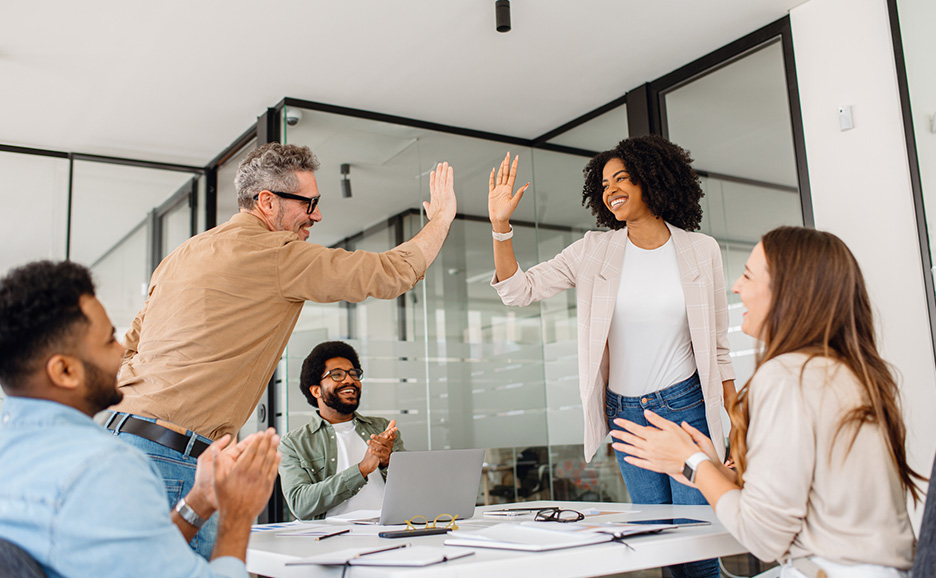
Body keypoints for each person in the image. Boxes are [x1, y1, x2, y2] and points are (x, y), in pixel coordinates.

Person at [105, 143, 455, 556]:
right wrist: (442, 219)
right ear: (267, 202)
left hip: (118, 441)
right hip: (174, 461)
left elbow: (128, 346)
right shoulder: (276, 254)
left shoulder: (182, 255)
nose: (317, 215)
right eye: (309, 203)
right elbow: (388, 274)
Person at [611, 227, 921, 578]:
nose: (736, 287)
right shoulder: (847, 373)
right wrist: (714, 468)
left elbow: (764, 537)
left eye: (747, 275)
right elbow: (798, 491)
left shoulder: (788, 375)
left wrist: (691, 462)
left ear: (788, 292)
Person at [488, 135, 734, 578]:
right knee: (659, 544)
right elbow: (518, 291)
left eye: (621, 178)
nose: (610, 189)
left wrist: (737, 427)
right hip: (626, 417)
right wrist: (500, 228)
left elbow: (718, 346)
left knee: (695, 546)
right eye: (604, 184)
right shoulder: (593, 250)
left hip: (687, 408)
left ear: (653, 180)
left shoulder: (702, 250)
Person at [0, 260, 281, 578]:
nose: (122, 350)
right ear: (65, 371)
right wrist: (237, 513)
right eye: (109, 340)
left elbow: (138, 564)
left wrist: (200, 499)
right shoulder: (104, 467)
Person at [278, 341, 404, 520]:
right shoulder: (294, 443)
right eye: (336, 375)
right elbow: (300, 505)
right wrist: (361, 470)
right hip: (332, 539)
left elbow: (412, 489)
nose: (349, 380)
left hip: (390, 530)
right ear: (316, 391)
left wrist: (387, 463)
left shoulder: (382, 428)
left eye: (354, 374)